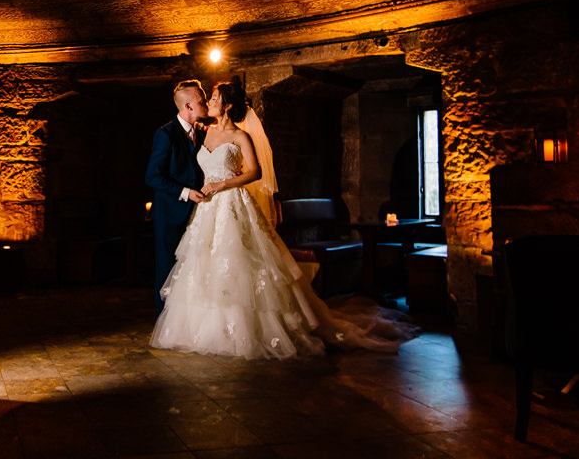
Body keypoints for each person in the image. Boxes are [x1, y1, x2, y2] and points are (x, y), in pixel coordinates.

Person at [150, 79, 417, 359]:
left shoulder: (241, 136)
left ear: (227, 105)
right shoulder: (204, 133)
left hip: (230, 203)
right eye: (207, 99)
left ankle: (246, 330)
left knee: (240, 263)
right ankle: (199, 329)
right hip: (206, 210)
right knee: (202, 267)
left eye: (214, 98)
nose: (210, 102)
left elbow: (255, 172)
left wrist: (223, 185)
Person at [144, 80, 210, 314]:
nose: (207, 104)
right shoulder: (165, 134)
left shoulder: (203, 132)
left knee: (192, 266)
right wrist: (186, 193)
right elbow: (152, 177)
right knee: (167, 268)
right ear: (189, 106)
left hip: (197, 213)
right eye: (202, 101)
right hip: (170, 213)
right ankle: (164, 320)